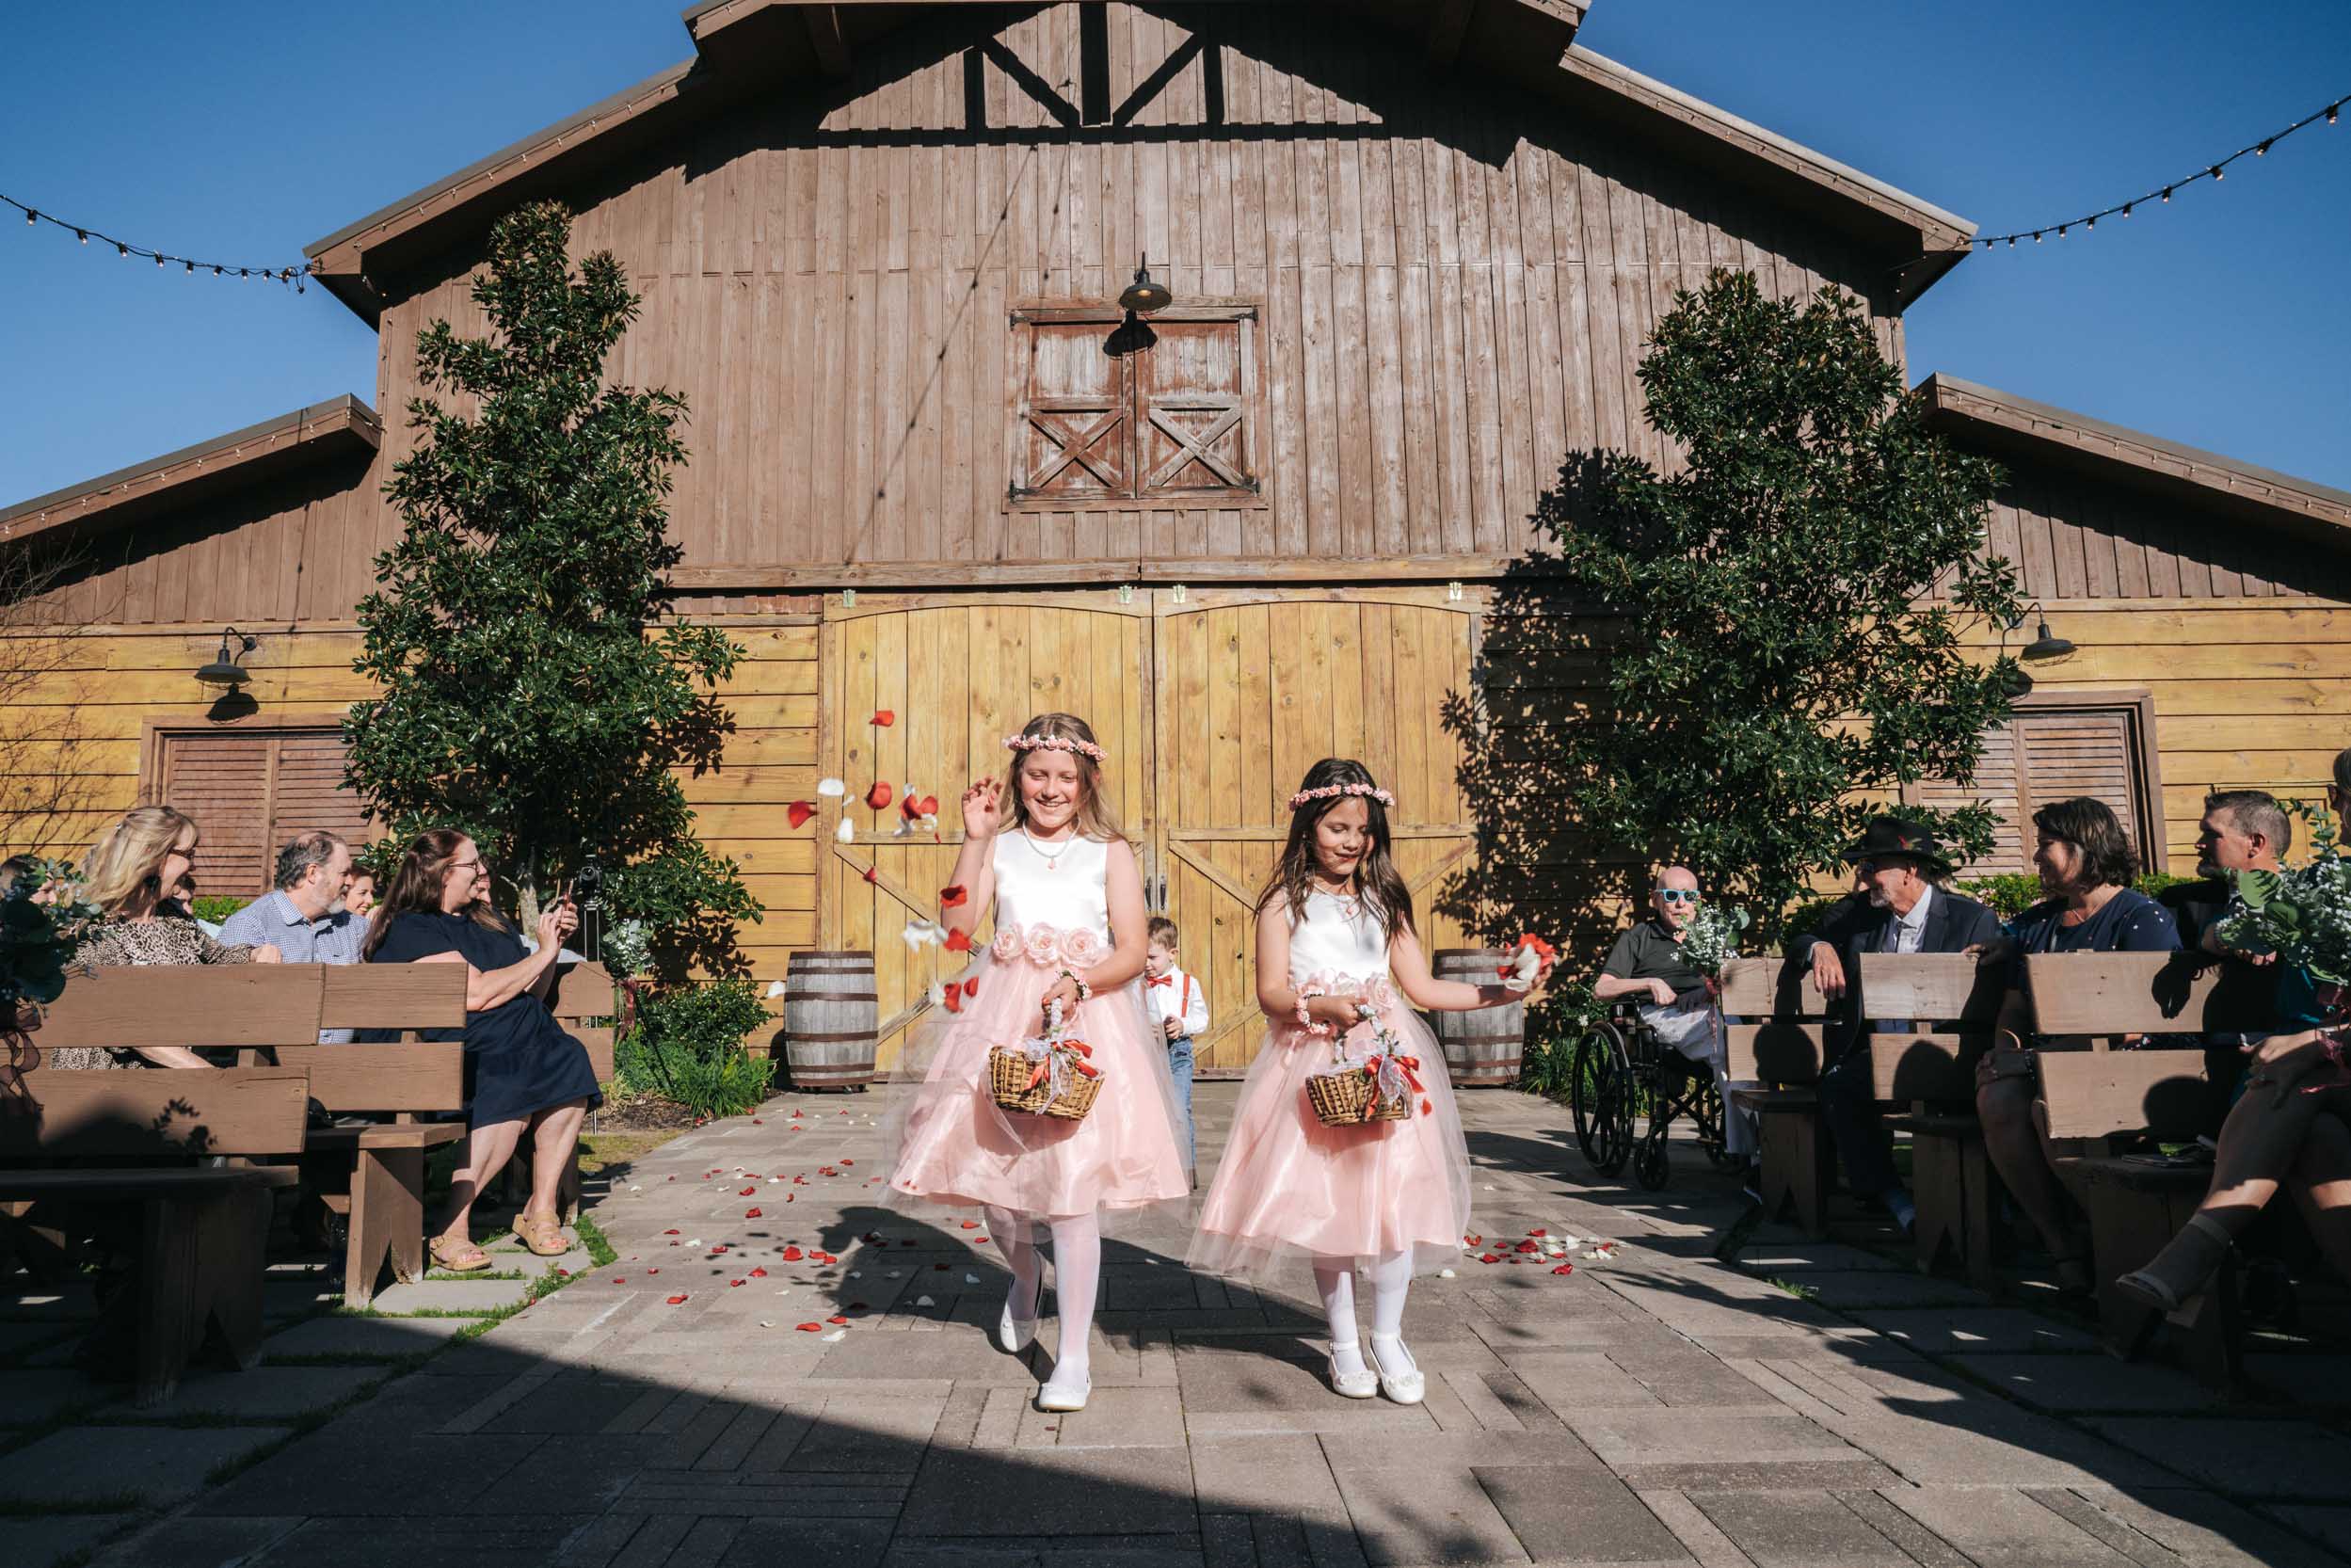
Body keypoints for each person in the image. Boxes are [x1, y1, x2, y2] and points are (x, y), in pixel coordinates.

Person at [1190, 759, 1547, 1406]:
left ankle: (1388, 1336)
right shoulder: (1283, 903)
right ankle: (1345, 1344)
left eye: (1363, 829)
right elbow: (1271, 992)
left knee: (1394, 1205)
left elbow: (1425, 987)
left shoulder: (1386, 900)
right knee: (1333, 1206)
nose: (1351, 841)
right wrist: (1316, 1007)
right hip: (1316, 1062)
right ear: (1308, 828)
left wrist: (1504, 988)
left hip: (1389, 1059)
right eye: (1337, 827)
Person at [886, 713, 1189, 1415]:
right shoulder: (1002, 845)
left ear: (1087, 783)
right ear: (1019, 776)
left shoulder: (1108, 850)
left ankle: (1074, 1358)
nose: (1051, 789)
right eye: (1038, 775)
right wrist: (974, 839)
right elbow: (959, 930)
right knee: (999, 1191)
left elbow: (1133, 946)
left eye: (1066, 778)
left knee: (1073, 1194)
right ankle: (1024, 1277)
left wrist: (1080, 983)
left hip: (1087, 1018)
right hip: (1003, 1019)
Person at [364, 829, 600, 1272]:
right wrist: (543, 950)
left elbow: (530, 991)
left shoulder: (487, 920)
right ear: (441, 872)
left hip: (501, 1043)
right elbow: (475, 996)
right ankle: (452, 1225)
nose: (483, 871)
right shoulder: (410, 927)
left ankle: (541, 1208)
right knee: (514, 1073)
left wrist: (551, 946)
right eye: (473, 864)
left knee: (567, 1057)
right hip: (432, 1056)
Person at [1977, 796, 2180, 1292]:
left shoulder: (2139, 918)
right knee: (1999, 1099)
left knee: (2053, 1107)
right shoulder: (2039, 925)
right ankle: (2061, 1245)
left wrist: (2032, 1060)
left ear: (2084, 846)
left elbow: (2139, 1025)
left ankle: (2129, 1236)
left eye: (2046, 844)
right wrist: (2006, 1054)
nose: (2036, 856)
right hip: (2046, 1066)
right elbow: (2015, 1008)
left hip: (2125, 1067)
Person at [1798, 818, 2004, 1234]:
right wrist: (1820, 947)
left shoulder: (1971, 919)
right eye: (1862, 868)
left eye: (1872, 867)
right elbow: (1802, 937)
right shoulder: (1860, 915)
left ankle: (1989, 1213)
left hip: (1946, 1054)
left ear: (1909, 870)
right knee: (1839, 1086)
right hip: (1875, 1055)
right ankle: (1895, 1200)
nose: (1863, 877)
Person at [59, 807, 282, 1070]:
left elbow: (218, 957)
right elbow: (123, 1024)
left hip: (174, 1079)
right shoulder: (94, 927)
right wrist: (208, 1077)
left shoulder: (172, 918)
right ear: (153, 856)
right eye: (189, 855)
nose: (194, 865)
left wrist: (255, 954)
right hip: (108, 1086)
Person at [1592, 867, 1757, 1169]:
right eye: (1671, 895)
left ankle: (1752, 1149)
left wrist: (1710, 990)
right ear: (1656, 900)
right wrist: (1649, 983)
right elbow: (1602, 989)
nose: (1680, 904)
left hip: (1708, 1015)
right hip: (1658, 1016)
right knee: (1730, 1042)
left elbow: (1731, 980)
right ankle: (1756, 1151)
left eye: (1688, 896)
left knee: (1733, 1054)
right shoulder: (1639, 937)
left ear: (1698, 901)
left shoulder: (1710, 937)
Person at [221, 832, 366, 1042]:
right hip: (271, 1068)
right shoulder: (251, 925)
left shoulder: (354, 927)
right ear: (313, 873)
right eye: (344, 873)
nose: (351, 881)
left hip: (346, 1065)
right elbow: (227, 1011)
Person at [1144, 915, 1210, 1181]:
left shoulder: (1187, 983)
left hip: (1178, 1054)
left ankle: (1186, 1169)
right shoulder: (1136, 983)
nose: (1146, 964)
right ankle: (1151, 1171)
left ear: (1172, 954)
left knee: (1180, 1112)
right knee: (1148, 1111)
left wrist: (1183, 1024)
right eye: (1143, 958)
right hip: (1146, 1053)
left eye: (1152, 957)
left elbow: (1202, 1018)